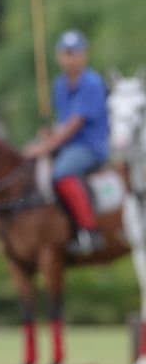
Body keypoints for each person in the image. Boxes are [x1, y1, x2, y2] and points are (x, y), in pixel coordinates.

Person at [24, 30, 110, 256]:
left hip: (90, 146)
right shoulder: (60, 85)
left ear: (84, 55)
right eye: (66, 53)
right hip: (68, 143)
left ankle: (89, 230)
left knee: (61, 172)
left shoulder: (92, 82)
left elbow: (75, 124)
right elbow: (64, 123)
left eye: (75, 52)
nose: (70, 57)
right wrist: (50, 132)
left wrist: (46, 146)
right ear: (59, 56)